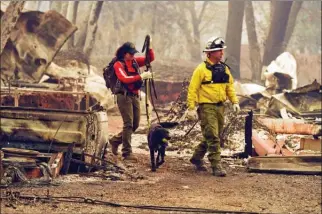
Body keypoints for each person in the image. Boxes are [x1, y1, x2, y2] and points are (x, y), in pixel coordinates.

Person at [186, 37, 240, 177]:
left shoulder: (224, 69)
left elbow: (230, 87)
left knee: (212, 135)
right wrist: (191, 107)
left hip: (220, 107)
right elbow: (193, 89)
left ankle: (196, 157)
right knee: (213, 136)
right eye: (219, 51)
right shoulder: (201, 69)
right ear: (210, 53)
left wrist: (235, 102)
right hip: (206, 107)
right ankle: (216, 165)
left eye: (222, 50)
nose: (222, 53)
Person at [109, 40, 154, 162]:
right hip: (123, 96)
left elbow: (149, 59)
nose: (133, 56)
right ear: (124, 53)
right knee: (128, 124)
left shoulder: (134, 61)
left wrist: (149, 47)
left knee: (135, 124)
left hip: (134, 95)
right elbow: (124, 79)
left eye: (134, 53)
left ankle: (115, 140)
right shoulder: (118, 64)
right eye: (130, 54)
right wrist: (141, 77)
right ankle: (127, 153)